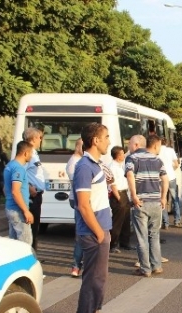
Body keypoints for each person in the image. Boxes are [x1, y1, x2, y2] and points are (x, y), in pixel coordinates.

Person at [73, 122, 112, 313]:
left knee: (99, 280)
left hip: (100, 229)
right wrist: (99, 233)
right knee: (93, 281)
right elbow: (82, 204)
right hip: (93, 232)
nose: (109, 142)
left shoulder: (95, 164)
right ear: (95, 141)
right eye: (106, 137)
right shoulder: (84, 166)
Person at [126, 135, 168, 277]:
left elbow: (130, 175)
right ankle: (157, 266)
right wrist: (163, 197)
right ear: (155, 146)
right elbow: (165, 179)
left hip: (141, 202)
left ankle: (145, 268)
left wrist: (134, 195)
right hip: (156, 202)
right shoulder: (158, 160)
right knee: (154, 235)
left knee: (141, 237)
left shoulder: (132, 158)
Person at [4, 141, 34, 245]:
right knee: (25, 244)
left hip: (10, 208)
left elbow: (5, 189)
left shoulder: (9, 165)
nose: (32, 156)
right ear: (25, 153)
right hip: (18, 210)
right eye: (31, 153)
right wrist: (26, 211)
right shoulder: (18, 168)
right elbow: (15, 192)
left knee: (14, 243)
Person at [108, 146, 133, 254]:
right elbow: (113, 184)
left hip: (124, 193)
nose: (124, 155)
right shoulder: (112, 167)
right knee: (117, 221)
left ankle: (125, 242)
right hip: (117, 194)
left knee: (126, 219)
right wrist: (118, 198)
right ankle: (112, 244)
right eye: (122, 154)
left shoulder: (120, 165)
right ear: (118, 155)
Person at [24, 127, 45, 250]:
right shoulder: (28, 154)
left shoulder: (34, 153)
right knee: (31, 229)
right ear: (33, 139)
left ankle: (33, 254)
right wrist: (28, 186)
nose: (41, 140)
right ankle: (30, 255)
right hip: (31, 195)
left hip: (37, 195)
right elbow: (19, 173)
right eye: (39, 138)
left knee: (35, 228)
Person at [66, 138, 84, 278]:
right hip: (79, 200)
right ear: (78, 147)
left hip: (82, 200)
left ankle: (79, 264)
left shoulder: (82, 161)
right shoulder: (74, 163)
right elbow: (78, 184)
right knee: (81, 234)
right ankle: (76, 265)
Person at [157, 137, 181, 229]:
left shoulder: (156, 152)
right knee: (175, 199)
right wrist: (171, 170)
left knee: (163, 200)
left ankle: (165, 222)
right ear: (166, 143)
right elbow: (176, 164)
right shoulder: (170, 150)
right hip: (171, 177)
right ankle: (177, 221)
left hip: (160, 179)